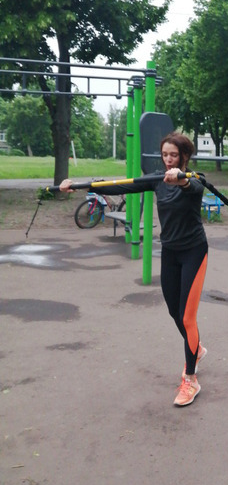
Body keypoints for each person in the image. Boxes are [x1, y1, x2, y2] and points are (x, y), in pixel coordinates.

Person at [60, 132, 208, 408]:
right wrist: (81, 186)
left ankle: (191, 379)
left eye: (173, 155)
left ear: (184, 156)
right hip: (170, 252)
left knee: (188, 317)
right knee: (174, 311)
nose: (168, 160)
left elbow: (193, 188)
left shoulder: (194, 179)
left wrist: (182, 179)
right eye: (165, 155)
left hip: (194, 253)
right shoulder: (157, 179)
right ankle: (196, 348)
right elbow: (122, 186)